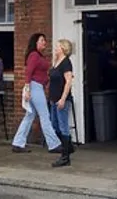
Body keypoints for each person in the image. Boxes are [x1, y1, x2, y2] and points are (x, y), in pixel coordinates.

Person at [11, 33, 62, 154]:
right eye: (42, 40)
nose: (45, 42)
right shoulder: (34, 55)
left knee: (29, 116)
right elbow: (28, 72)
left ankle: (18, 143)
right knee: (44, 116)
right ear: (36, 43)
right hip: (35, 87)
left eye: (44, 40)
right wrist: (27, 89)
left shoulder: (39, 56)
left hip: (37, 87)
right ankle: (54, 144)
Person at [48, 39, 75, 168]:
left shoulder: (66, 63)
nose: (56, 48)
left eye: (58, 46)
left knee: (63, 126)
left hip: (60, 99)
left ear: (63, 49)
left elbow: (68, 82)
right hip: (53, 98)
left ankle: (65, 157)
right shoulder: (55, 62)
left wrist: (63, 99)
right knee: (55, 124)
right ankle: (68, 147)